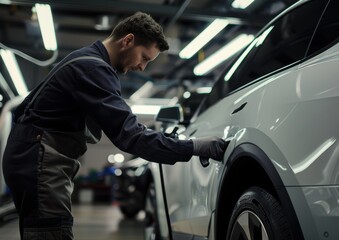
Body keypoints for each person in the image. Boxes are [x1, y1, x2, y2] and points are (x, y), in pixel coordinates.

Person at [2, 12, 226, 240]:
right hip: (40, 158)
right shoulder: (94, 70)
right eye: (144, 58)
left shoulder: (86, 60)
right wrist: (194, 147)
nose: (142, 67)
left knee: (45, 230)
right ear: (127, 40)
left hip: (34, 155)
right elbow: (131, 136)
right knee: (51, 233)